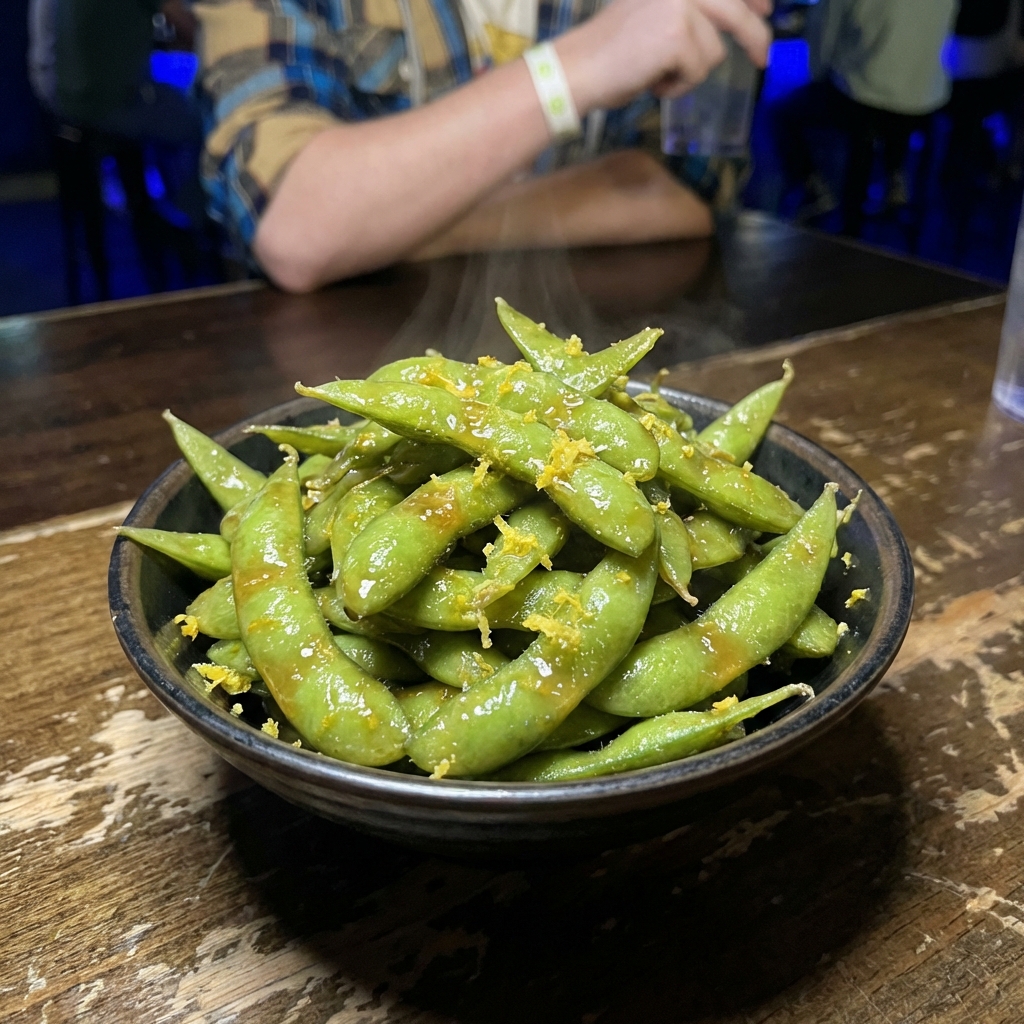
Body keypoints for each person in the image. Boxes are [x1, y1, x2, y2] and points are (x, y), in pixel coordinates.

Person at [192, 0, 772, 292]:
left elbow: (685, 192)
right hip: (332, 379)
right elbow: (293, 224)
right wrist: (577, 68)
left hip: (597, 349)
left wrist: (386, 230)